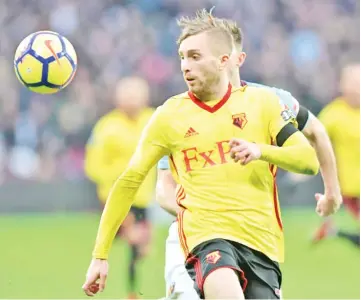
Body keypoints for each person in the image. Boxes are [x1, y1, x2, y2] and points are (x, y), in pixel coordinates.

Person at [82, 9, 320, 299]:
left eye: (194, 56)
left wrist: (260, 150)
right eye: (182, 57)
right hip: (207, 239)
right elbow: (129, 181)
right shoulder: (169, 116)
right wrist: (100, 255)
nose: (185, 65)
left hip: (262, 242)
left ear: (223, 62)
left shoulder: (262, 103)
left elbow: (308, 160)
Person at [157, 10, 342, 299]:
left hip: (253, 237)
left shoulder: (272, 100)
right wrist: (201, 214)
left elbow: (316, 133)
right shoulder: (179, 114)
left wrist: (332, 191)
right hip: (195, 238)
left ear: (234, 59)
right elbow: (164, 186)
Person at [84, 76, 156, 299]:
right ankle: (129, 291)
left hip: (143, 197)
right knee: (133, 240)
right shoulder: (106, 126)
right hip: (114, 197)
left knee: (141, 251)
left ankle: (133, 291)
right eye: (127, 95)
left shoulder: (153, 120)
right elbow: (92, 164)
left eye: (136, 95)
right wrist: (115, 179)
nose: (132, 100)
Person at [313, 64, 360, 248]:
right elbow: (312, 141)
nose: (357, 87)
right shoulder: (333, 114)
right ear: (343, 85)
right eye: (353, 82)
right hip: (353, 189)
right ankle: (332, 231)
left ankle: (332, 231)